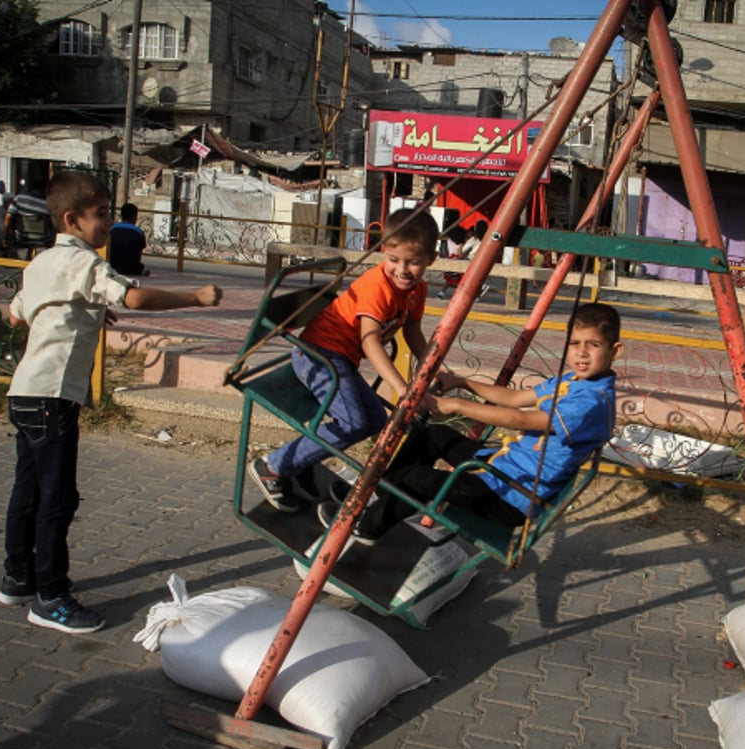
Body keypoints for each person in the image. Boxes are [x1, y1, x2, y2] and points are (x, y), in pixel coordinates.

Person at [0, 171, 223, 634]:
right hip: (52, 398)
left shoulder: (41, 263)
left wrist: (83, 311)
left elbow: (16, 314)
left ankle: (18, 576)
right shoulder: (85, 264)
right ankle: (51, 597)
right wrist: (196, 298)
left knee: (28, 490)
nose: (107, 223)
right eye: (100, 215)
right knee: (57, 500)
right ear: (72, 220)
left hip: (24, 393)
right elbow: (136, 298)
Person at [324, 302, 621, 541]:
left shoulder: (593, 403)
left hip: (510, 495)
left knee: (415, 479)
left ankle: (361, 530)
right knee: (434, 435)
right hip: (503, 467)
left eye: (593, 345)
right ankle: (374, 497)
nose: (581, 353)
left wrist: (454, 404)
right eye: (575, 343)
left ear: (614, 351)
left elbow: (518, 418)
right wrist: (462, 382)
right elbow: (516, 399)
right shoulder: (573, 381)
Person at [247, 207, 438, 512]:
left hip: (340, 358)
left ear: (432, 259)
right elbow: (370, 340)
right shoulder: (378, 286)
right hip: (318, 353)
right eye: (393, 260)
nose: (402, 270)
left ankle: (303, 459)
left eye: (413, 262)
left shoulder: (417, 290)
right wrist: (402, 387)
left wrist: (432, 369)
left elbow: (413, 331)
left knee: (375, 420)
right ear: (382, 254)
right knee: (352, 422)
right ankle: (274, 466)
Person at [5, 179, 56, 258]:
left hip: (21, 239)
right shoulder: (48, 205)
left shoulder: (19, 199)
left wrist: (6, 237)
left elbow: (7, 219)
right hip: (42, 242)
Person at [109, 202, 148, 276]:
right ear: (134, 216)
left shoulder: (112, 229)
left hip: (112, 266)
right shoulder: (138, 232)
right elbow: (139, 254)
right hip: (131, 269)